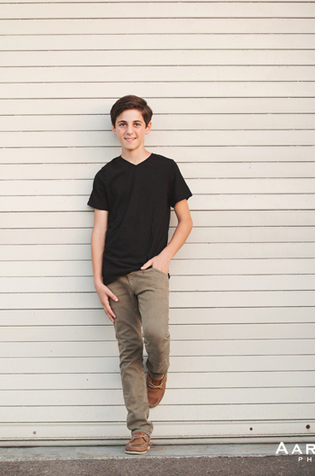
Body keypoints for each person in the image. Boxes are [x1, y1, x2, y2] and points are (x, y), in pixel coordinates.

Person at [88, 95, 193, 455]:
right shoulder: (106, 175)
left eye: (136, 123)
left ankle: (158, 373)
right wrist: (98, 281)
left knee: (155, 335)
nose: (129, 130)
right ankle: (139, 430)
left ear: (148, 127)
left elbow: (186, 221)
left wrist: (164, 257)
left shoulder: (165, 168)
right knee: (129, 350)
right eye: (122, 123)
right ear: (114, 129)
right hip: (115, 276)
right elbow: (99, 230)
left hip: (151, 271)